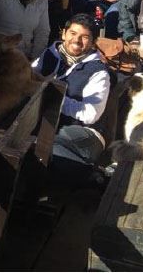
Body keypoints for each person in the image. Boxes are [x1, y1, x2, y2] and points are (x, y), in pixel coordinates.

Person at [32, 14, 111, 186]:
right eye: (73, 33)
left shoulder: (98, 72)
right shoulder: (50, 54)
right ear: (63, 34)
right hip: (50, 123)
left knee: (45, 146)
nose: (76, 40)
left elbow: (90, 114)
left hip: (84, 132)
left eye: (84, 37)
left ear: (93, 42)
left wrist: (53, 95)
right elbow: (31, 77)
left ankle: (93, 177)